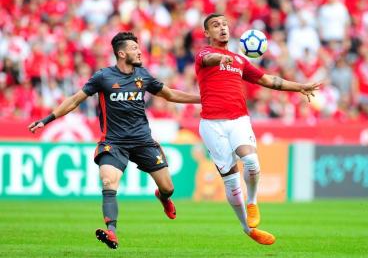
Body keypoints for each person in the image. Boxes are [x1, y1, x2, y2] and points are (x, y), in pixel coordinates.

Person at [28, 32, 200, 249]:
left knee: (168, 187)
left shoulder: (143, 75)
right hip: (113, 142)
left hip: (143, 141)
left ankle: (163, 198)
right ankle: (112, 233)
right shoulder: (103, 77)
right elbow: (74, 100)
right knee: (108, 182)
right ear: (121, 53)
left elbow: (170, 95)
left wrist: (202, 98)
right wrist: (47, 119)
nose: (139, 51)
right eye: (134, 48)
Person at [195, 13, 321, 245]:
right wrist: (219, 60)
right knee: (231, 181)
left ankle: (252, 201)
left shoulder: (239, 60)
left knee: (251, 161)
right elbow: (210, 58)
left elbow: (269, 80)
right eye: (215, 25)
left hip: (238, 119)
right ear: (207, 33)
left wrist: (299, 87)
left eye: (224, 24)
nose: (222, 28)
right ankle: (247, 228)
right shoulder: (203, 53)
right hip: (212, 124)